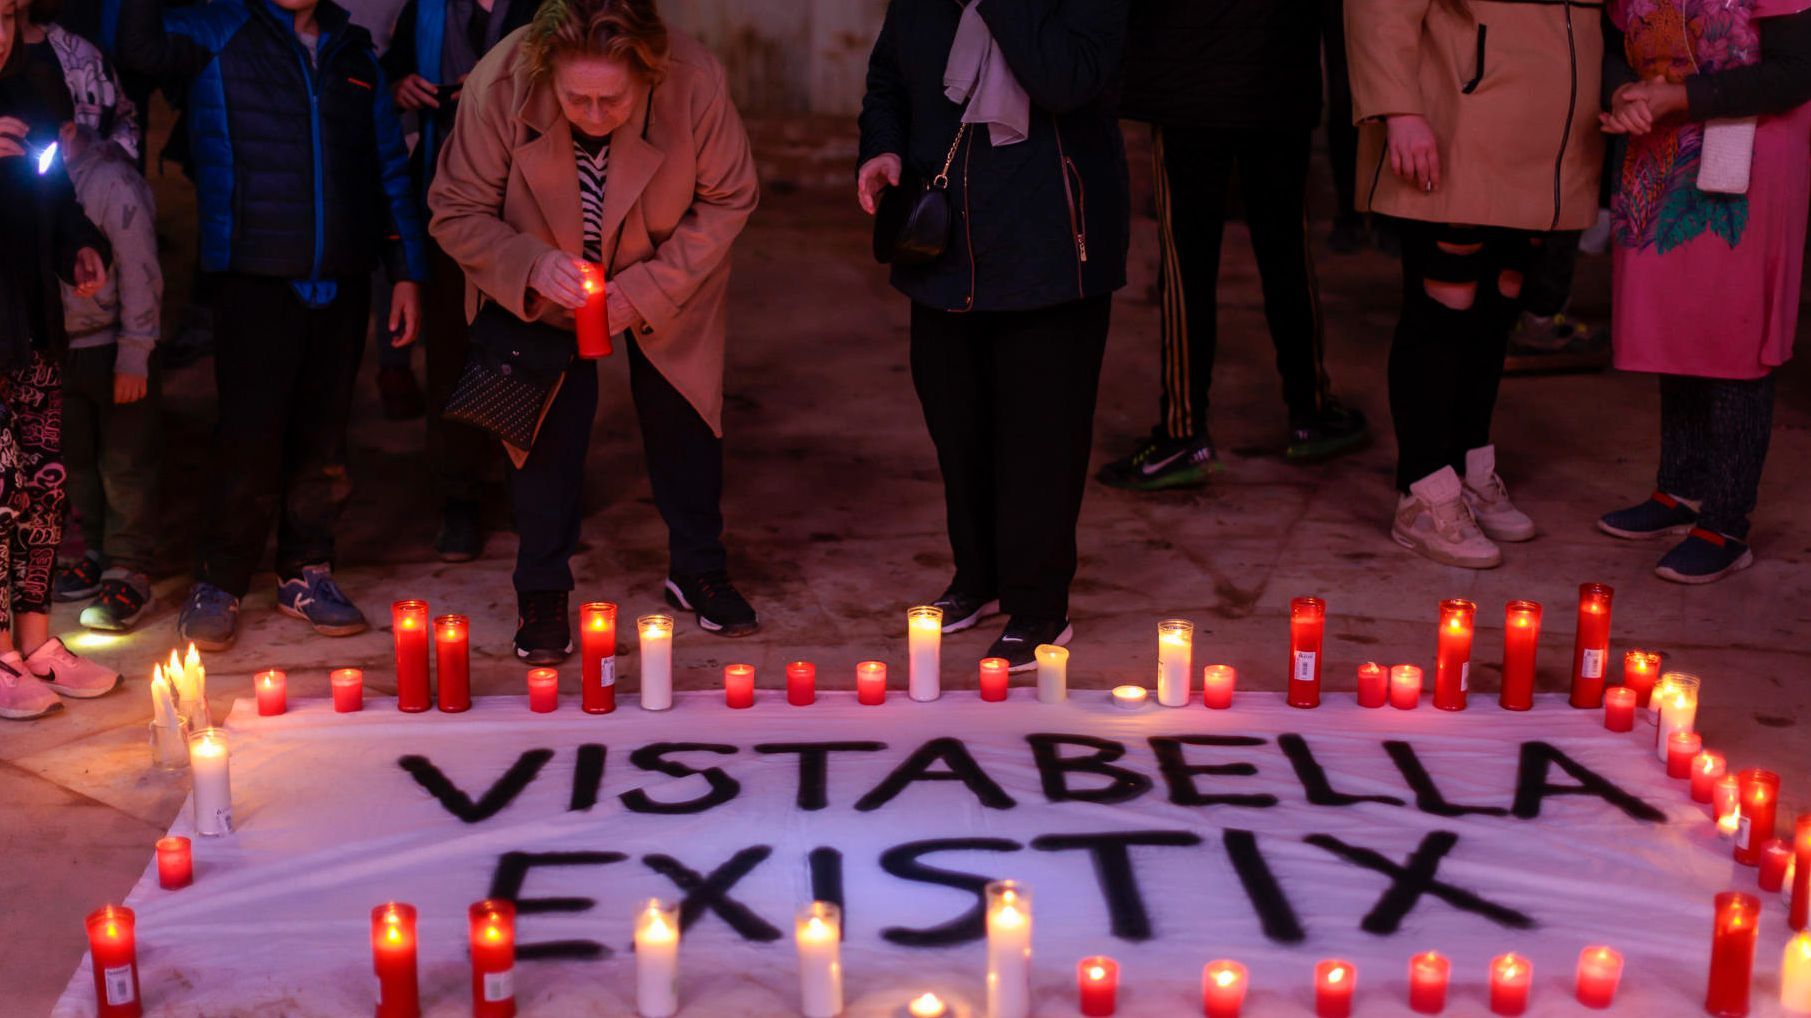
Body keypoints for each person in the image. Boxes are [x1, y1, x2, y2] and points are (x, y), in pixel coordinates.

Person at [430, 0, 761, 661]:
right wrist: (531, 265)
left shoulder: (692, 78)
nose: (593, 115)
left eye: (612, 100)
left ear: (646, 71)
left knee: (684, 415)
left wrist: (643, 290)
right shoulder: (499, 81)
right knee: (544, 432)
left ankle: (697, 568)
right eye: (575, 99)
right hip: (542, 274)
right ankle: (542, 587)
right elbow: (455, 208)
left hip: (665, 266)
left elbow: (729, 197)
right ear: (545, 71)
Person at [118, 0, 426, 650]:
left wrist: (404, 270)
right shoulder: (215, 30)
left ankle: (305, 572)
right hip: (253, 275)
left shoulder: (353, 52)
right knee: (247, 438)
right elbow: (138, 49)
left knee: (324, 438)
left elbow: (386, 169)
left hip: (341, 278)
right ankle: (219, 580)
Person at [858, 0, 1129, 669]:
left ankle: (1039, 607)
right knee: (959, 426)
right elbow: (888, 75)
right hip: (945, 248)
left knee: (1041, 441)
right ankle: (977, 581)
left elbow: (1066, 80)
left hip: (1051, 251)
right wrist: (883, 147)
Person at [1346, 0, 1604, 568]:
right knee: (1446, 303)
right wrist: (1397, 108)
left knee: (1500, 301)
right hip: (1459, 115)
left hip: (1551, 135)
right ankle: (1422, 490)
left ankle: (1466, 469)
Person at [1099, 0, 1367, 492]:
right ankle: (1310, 412)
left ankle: (1183, 433)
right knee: (1286, 254)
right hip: (1276, 80)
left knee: (1187, 266)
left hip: (1188, 85)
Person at [1596, 0, 1811, 582]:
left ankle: (1726, 522)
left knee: (1732, 330)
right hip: (1662, 145)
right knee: (1677, 320)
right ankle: (1680, 490)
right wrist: (1622, 95)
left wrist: (1682, 98)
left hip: (1748, 150)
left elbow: (1797, 69)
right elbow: (1614, 46)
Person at [0, 0, 123, 719]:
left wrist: (79, 243)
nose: (2, 36)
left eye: (10, 19)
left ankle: (37, 641)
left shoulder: (28, 92)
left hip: (30, 327)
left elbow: (54, 190)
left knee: (42, 485)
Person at [385, 0, 534, 559]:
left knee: (526, 347)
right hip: (446, 200)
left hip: (528, 206)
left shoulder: (546, 8)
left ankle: (529, 488)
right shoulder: (426, 9)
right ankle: (460, 497)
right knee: (451, 350)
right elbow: (389, 72)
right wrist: (401, 86)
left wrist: (503, 86)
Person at [50, 120, 161, 631]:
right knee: (78, 460)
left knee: (124, 461)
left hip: (114, 348)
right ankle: (95, 550)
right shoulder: (29, 183)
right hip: (59, 350)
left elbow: (140, 267)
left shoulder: (111, 183)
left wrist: (135, 352)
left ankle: (129, 565)